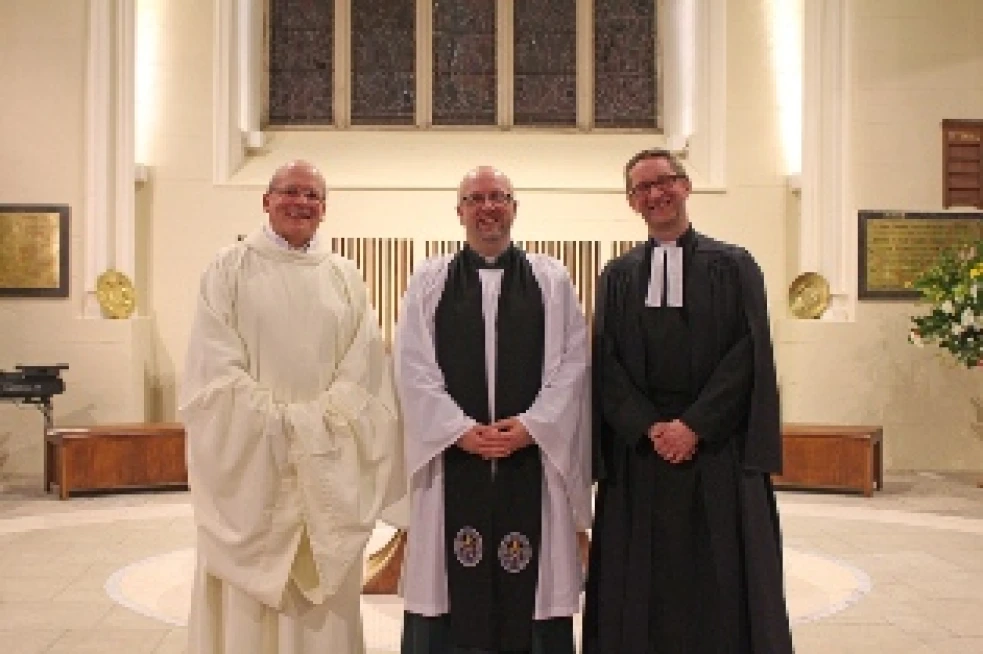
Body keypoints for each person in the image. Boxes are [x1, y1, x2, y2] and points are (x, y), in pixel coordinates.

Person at [179, 160, 404, 654]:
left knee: (320, 580)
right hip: (252, 459)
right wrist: (278, 424)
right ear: (265, 201)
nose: (301, 202)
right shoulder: (227, 269)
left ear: (324, 209)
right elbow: (213, 368)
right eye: (290, 192)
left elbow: (363, 367)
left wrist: (317, 425)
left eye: (313, 196)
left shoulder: (345, 277)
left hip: (327, 455)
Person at [583, 149, 795, 653]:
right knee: (642, 584)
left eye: (664, 182)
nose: (655, 194)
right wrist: (649, 427)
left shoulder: (735, 265)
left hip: (715, 452)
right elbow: (605, 363)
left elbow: (747, 354)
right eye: (642, 188)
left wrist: (694, 426)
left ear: (686, 186)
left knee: (719, 580)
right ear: (632, 202)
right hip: (643, 456)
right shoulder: (618, 276)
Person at [395, 166, 591, 654]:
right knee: (445, 579)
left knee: (536, 587)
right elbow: (410, 364)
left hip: (532, 460)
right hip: (451, 462)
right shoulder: (429, 280)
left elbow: (574, 362)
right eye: (476, 198)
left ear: (514, 208)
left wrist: (532, 426)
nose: (488, 207)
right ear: (459, 211)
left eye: (499, 197)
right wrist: (456, 429)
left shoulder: (552, 280)